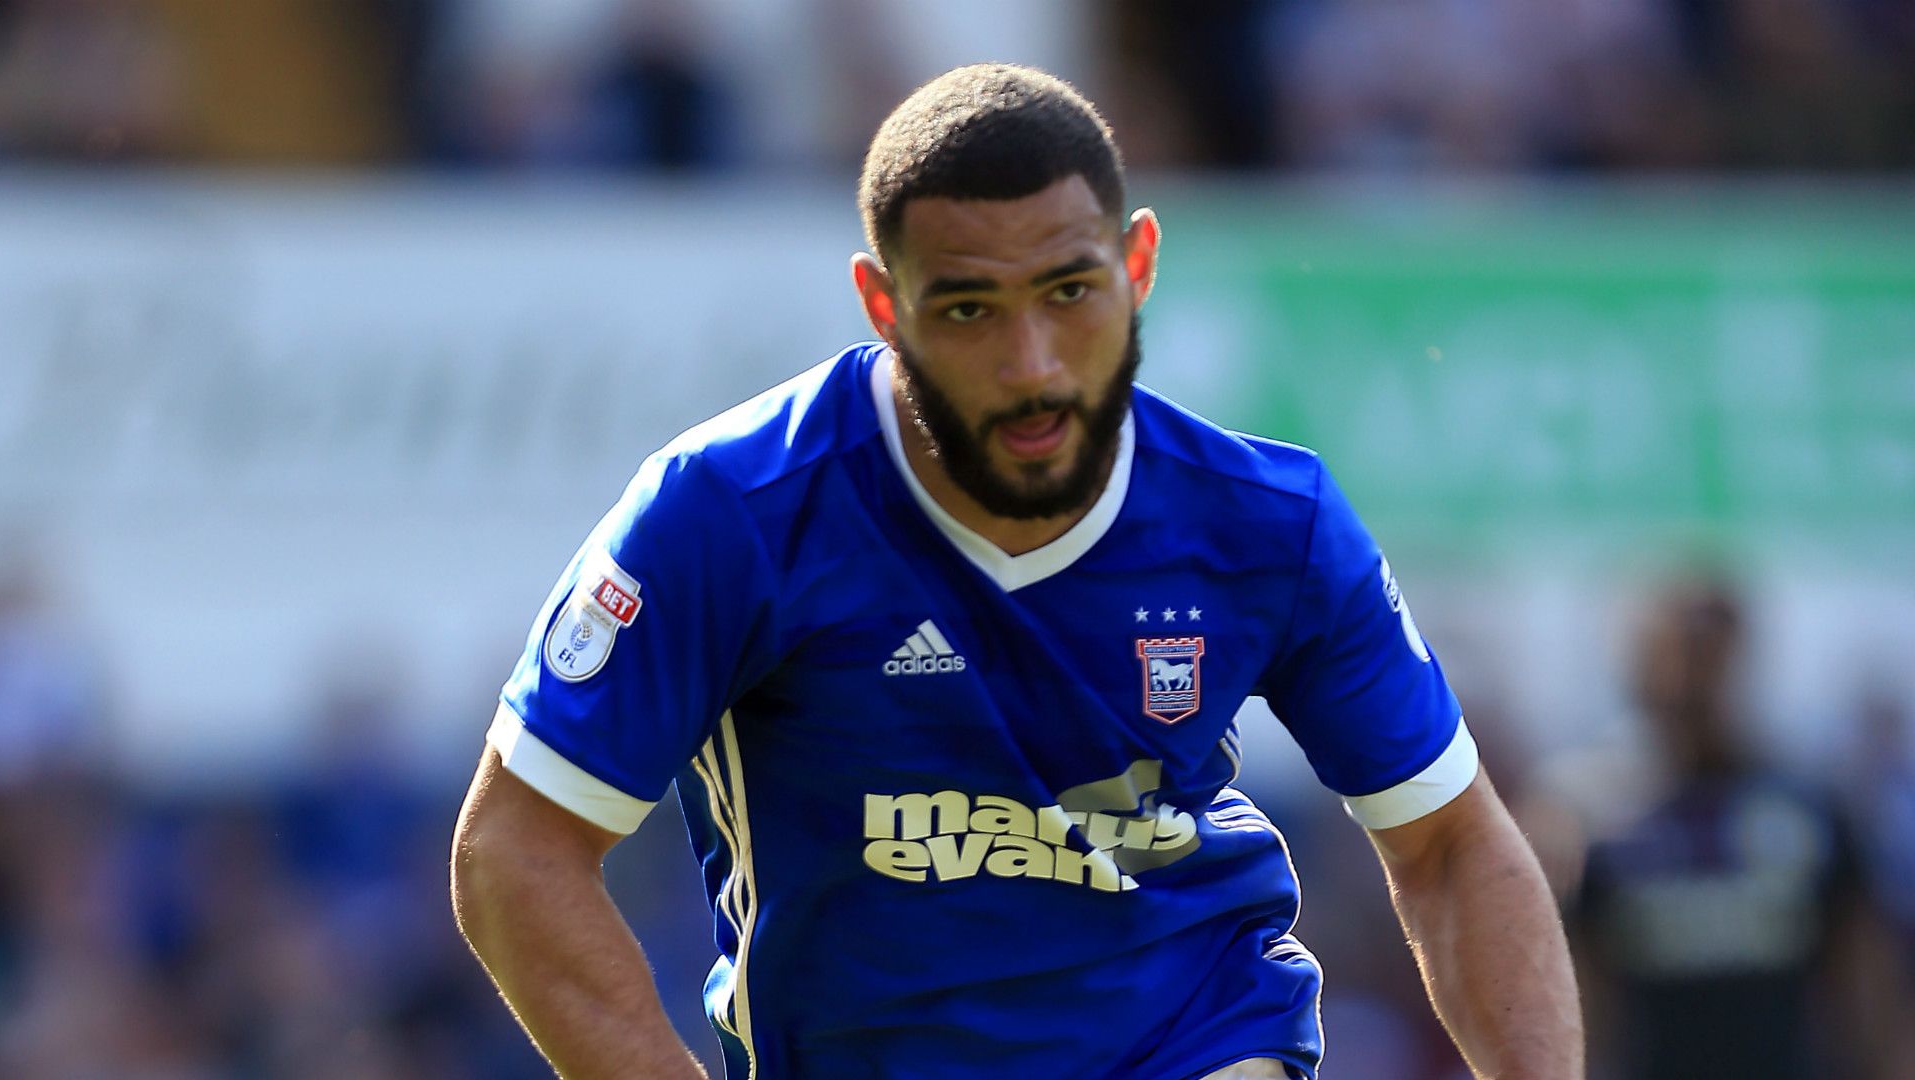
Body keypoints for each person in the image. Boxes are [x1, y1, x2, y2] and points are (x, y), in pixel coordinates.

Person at [450, 63, 1581, 1080]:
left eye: (1069, 291)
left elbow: (1449, 843)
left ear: (1137, 265)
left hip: (1196, 1046)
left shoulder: (1269, 522)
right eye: (970, 310)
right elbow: (515, 850)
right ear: (885, 306)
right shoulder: (733, 511)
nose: (1032, 364)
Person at [1570, 579, 1907, 1079]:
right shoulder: (1596, 816)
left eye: (1705, 652)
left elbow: (1866, 981)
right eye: (1672, 653)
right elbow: (1579, 993)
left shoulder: (1807, 808)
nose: (1688, 676)